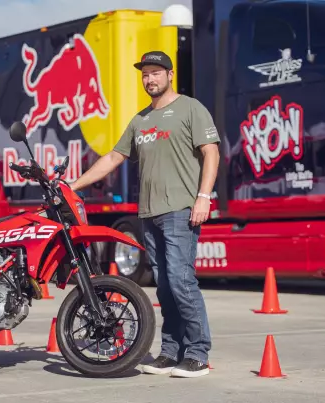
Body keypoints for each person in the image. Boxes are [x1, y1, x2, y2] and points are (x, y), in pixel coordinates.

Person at [70, 51, 220, 378]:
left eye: (155, 73)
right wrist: (73, 185)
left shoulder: (190, 109)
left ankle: (197, 354)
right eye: (145, 74)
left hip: (181, 210)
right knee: (164, 287)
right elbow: (113, 157)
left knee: (181, 282)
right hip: (149, 215)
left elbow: (212, 152)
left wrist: (203, 197)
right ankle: (170, 351)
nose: (149, 79)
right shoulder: (141, 120)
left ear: (170, 74)